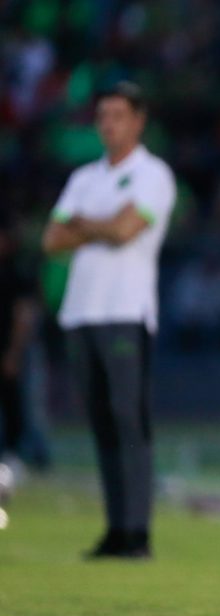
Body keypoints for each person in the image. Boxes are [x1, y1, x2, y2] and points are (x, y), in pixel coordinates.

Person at [41, 82, 177, 559]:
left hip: (125, 311)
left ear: (138, 121)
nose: (107, 124)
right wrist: (96, 225)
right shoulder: (84, 177)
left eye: (118, 115)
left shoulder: (152, 175)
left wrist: (84, 224)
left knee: (128, 419)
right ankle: (115, 528)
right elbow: (52, 240)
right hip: (81, 311)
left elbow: (125, 231)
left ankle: (137, 531)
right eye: (102, 115)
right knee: (100, 422)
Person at [0, 218, 38, 470]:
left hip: (6, 348)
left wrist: (14, 351)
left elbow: (25, 313)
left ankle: (15, 456)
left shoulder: (16, 272)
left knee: (14, 401)